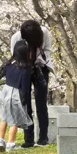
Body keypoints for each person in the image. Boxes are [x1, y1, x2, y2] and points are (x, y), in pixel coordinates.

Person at [14, 18, 51, 147]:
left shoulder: (45, 32)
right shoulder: (17, 38)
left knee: (41, 103)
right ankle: (28, 139)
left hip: (41, 67)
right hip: (23, 69)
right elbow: (15, 57)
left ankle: (43, 138)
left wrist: (39, 61)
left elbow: (47, 50)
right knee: (25, 103)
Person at [0, 39, 33, 152]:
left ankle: (0, 140)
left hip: (5, 92)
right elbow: (25, 87)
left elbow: (3, 75)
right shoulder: (25, 69)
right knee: (14, 121)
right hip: (15, 95)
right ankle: (11, 143)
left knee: (4, 118)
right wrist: (26, 100)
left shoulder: (8, 65)